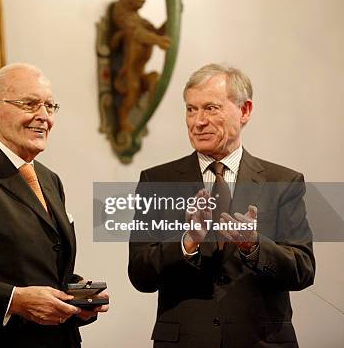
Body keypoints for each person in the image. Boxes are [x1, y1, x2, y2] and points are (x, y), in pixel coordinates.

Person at [128, 64, 315, 347]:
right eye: (191, 110)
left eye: (211, 108)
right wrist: (187, 242)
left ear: (245, 111)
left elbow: (303, 269)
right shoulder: (157, 181)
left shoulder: (284, 182)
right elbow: (140, 274)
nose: (198, 121)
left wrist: (254, 245)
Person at [0, 63, 108, 347]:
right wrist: (13, 301)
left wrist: (77, 297)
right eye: (29, 104)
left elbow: (38, 269)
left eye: (50, 106)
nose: (43, 117)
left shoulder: (48, 179)